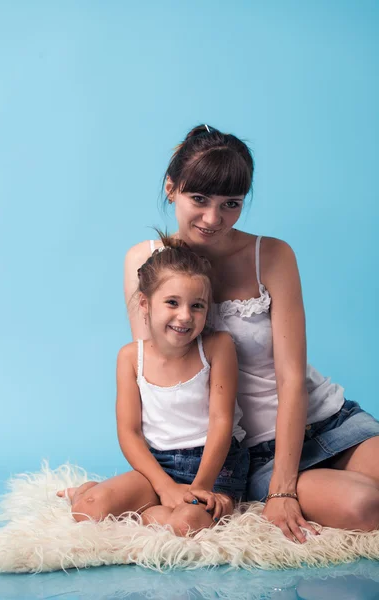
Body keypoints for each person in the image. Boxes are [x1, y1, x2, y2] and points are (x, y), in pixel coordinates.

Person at [123, 124, 379, 543]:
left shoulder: (272, 255)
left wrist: (284, 489)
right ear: (171, 189)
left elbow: (292, 378)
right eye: (199, 199)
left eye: (231, 204)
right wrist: (167, 484)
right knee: (364, 507)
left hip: (325, 420)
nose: (213, 218)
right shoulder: (145, 262)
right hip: (251, 450)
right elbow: (158, 380)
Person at [57, 233, 249, 536]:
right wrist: (164, 486)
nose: (185, 316)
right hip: (157, 466)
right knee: (88, 508)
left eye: (197, 306)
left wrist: (200, 488)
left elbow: (221, 422)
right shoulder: (131, 357)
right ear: (145, 304)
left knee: (186, 524)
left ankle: (158, 513)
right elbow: (129, 432)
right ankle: (127, 500)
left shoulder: (217, 346)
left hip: (214, 467)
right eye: (172, 302)